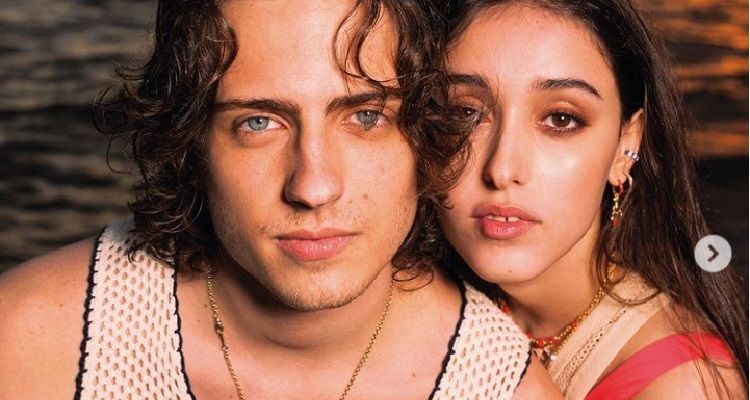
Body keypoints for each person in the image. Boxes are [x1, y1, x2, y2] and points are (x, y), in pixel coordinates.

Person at [0, 1, 563, 399]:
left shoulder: (500, 386)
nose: (313, 187)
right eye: (258, 122)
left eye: (366, 116)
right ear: (192, 143)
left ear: (427, 136)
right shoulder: (28, 341)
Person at [437, 0, 748, 399]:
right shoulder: (419, 300)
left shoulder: (683, 386)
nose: (501, 168)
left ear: (625, 146)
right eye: (464, 114)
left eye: (561, 119)